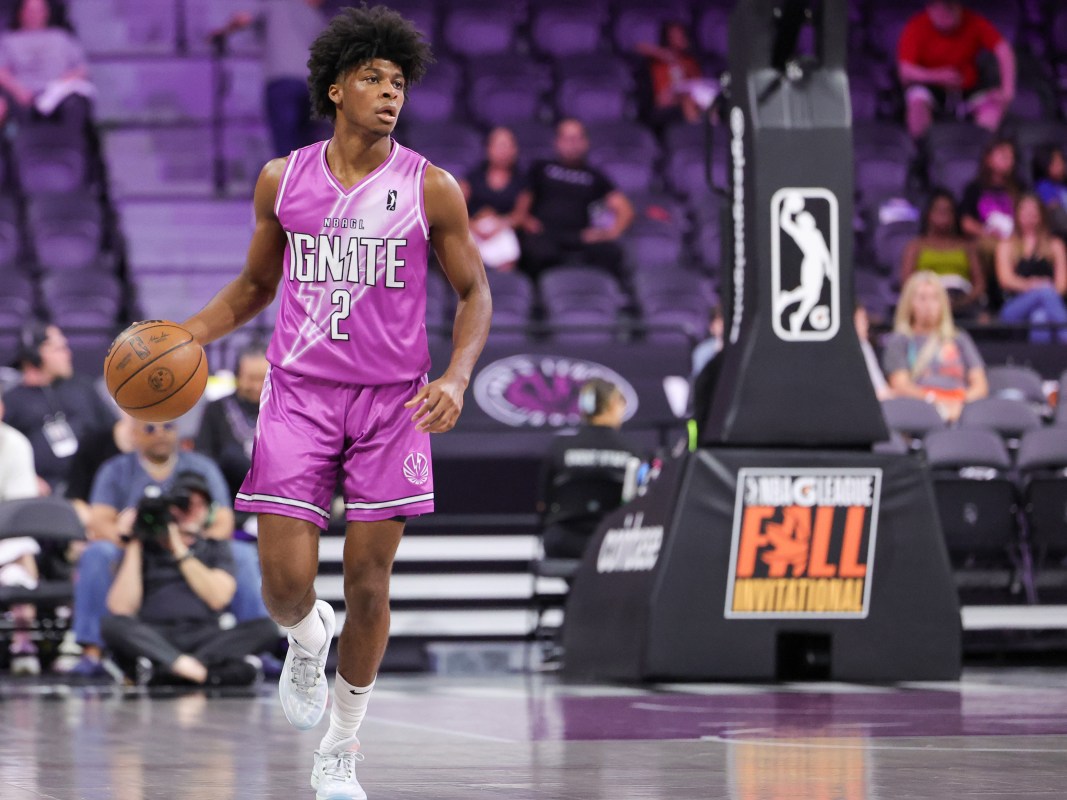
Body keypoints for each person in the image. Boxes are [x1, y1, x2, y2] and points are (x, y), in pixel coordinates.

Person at [179, 6, 492, 798]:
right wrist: (190, 335)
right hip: (299, 396)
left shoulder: (430, 187)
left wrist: (456, 377)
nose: (390, 94)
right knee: (283, 586)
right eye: (372, 79)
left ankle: (341, 748)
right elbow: (255, 285)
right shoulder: (283, 179)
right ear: (334, 89)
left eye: (399, 82)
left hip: (393, 405)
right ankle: (305, 636)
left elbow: (475, 292)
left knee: (368, 583)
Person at [69, 418, 264, 678]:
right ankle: (92, 651)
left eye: (168, 427)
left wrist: (187, 536)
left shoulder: (202, 467)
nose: (160, 433)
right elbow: (99, 522)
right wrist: (131, 534)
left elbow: (224, 521)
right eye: (150, 428)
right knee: (97, 553)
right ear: (134, 433)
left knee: (242, 553)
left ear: (179, 431)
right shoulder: (115, 469)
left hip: (193, 545)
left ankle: (255, 650)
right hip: (137, 547)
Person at [100, 471, 278, 687]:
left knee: (266, 628)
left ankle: (169, 670)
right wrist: (135, 539)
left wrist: (178, 547)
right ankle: (200, 672)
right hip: (156, 634)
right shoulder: (146, 547)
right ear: (170, 508)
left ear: (208, 511)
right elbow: (121, 607)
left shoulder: (215, 548)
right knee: (112, 625)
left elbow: (218, 598)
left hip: (204, 636)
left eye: (200, 504)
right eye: (184, 503)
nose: (192, 511)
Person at [2, 321, 114, 496]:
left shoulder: (84, 388)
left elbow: (114, 431)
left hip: (91, 486)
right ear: (34, 354)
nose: (68, 354)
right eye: (59, 349)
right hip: (41, 495)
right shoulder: (12, 400)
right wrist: (26, 477)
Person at [515, 118, 634, 277]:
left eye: (577, 138)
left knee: (611, 253)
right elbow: (523, 199)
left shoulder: (594, 176)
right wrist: (526, 220)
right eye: (567, 138)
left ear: (586, 143)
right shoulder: (541, 168)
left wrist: (609, 233)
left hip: (580, 236)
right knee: (536, 252)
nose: (572, 144)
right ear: (557, 142)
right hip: (545, 233)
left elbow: (625, 208)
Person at [538, 379, 642, 561]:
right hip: (613, 544)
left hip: (563, 542)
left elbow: (542, 504)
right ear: (613, 404)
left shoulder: (559, 448)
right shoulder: (633, 452)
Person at [214, 0, 328, 157]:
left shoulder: (277, 3)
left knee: (285, 147)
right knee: (308, 148)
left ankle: (289, 173)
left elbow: (243, 19)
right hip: (312, 86)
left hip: (282, 83)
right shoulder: (317, 16)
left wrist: (222, 32)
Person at [897, 0, 1015, 140]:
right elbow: (905, 71)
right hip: (931, 88)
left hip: (968, 89)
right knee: (916, 104)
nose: (945, 14)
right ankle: (921, 146)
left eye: (950, 8)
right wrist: (937, 76)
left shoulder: (974, 21)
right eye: (941, 10)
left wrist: (1007, 91)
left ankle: (979, 147)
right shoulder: (916, 26)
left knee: (994, 107)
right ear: (930, 9)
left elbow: (1003, 50)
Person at [882, 271, 988, 422]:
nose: (928, 305)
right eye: (922, 298)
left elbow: (980, 384)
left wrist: (960, 403)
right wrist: (936, 402)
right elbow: (901, 385)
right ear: (909, 303)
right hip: (920, 411)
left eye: (934, 298)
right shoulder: (899, 341)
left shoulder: (959, 338)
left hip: (961, 407)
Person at [0, 384, 43, 674]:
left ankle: (23, 644)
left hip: (4, 534)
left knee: (23, 549)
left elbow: (19, 512)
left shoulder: (15, 444)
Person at [0, 0, 92, 131]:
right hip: (21, 94)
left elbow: (81, 69)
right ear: (20, 13)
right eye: (30, 11)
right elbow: (2, 71)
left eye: (38, 10)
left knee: (78, 100)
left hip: (58, 95)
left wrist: (61, 85)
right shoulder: (8, 40)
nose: (34, 15)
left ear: (47, 13)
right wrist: (18, 90)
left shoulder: (61, 38)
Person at [195, 343, 269, 505]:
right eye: (250, 378)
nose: (257, 386)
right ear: (237, 376)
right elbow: (204, 457)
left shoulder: (282, 409)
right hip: (228, 500)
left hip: (275, 498)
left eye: (262, 378)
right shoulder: (216, 409)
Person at [900, 188, 985, 317]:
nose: (943, 215)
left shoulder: (967, 246)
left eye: (948, 211)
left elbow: (979, 284)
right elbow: (907, 283)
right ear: (928, 214)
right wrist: (929, 299)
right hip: (928, 299)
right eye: (939, 210)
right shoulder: (915, 246)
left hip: (962, 299)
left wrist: (962, 302)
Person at [994, 193, 1067, 343]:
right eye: (1025, 210)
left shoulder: (1055, 245)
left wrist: (1043, 291)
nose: (1029, 215)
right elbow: (1005, 280)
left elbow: (1061, 286)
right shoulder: (1006, 245)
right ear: (1017, 214)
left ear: (1041, 214)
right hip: (1014, 307)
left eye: (1033, 211)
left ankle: (1042, 359)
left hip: (1048, 306)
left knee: (1040, 318)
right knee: (1045, 290)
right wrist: (1034, 285)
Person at [460, 126, 526, 272]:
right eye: (499, 145)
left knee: (508, 251)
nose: (503, 151)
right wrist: (473, 226)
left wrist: (500, 225)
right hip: (473, 228)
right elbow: (457, 209)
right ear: (488, 148)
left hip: (504, 229)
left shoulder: (522, 180)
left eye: (507, 145)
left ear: (515, 150)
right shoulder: (472, 177)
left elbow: (520, 215)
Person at [636, 20, 705, 128]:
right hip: (666, 104)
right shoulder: (659, 64)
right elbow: (661, 100)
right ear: (668, 38)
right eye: (676, 35)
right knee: (687, 102)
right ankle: (696, 132)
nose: (681, 38)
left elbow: (698, 87)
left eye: (682, 34)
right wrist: (663, 54)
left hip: (692, 101)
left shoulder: (690, 62)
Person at [854, 304, 892, 401]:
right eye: (862, 321)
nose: (866, 325)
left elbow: (881, 387)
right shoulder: (849, 350)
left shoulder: (865, 345)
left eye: (865, 320)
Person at [1032, 144, 1067, 239]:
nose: (1061, 165)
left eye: (1062, 161)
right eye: (1056, 162)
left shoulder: (1062, 186)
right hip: (1059, 235)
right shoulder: (1044, 187)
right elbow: (1059, 218)